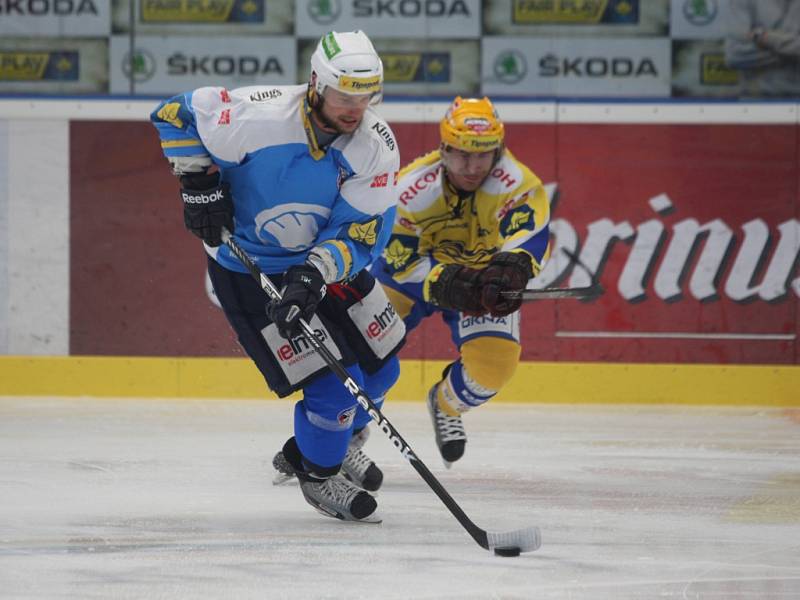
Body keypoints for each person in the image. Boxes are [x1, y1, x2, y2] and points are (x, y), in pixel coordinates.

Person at [150, 30, 405, 523]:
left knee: (382, 367)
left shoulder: (374, 146)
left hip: (321, 267)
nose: (355, 108)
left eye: (365, 96)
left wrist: (313, 274)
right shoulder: (256, 116)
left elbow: (361, 232)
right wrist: (198, 183)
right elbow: (174, 114)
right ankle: (318, 473)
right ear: (315, 84)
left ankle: (321, 441)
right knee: (335, 383)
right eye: (343, 95)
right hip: (250, 272)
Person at [371, 96, 551, 467]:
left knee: (493, 369)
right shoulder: (410, 189)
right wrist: (442, 281)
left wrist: (513, 268)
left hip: (483, 276)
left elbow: (527, 238)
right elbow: (397, 256)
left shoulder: (517, 183)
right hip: (413, 274)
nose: (472, 166)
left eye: (483, 154)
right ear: (444, 149)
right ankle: (345, 428)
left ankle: (446, 403)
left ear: (497, 151)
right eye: (462, 154)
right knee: (362, 345)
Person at [725, 0, 800, 96]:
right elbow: (734, 55)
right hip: (756, 100)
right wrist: (792, 49)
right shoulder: (742, 2)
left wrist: (764, 37)